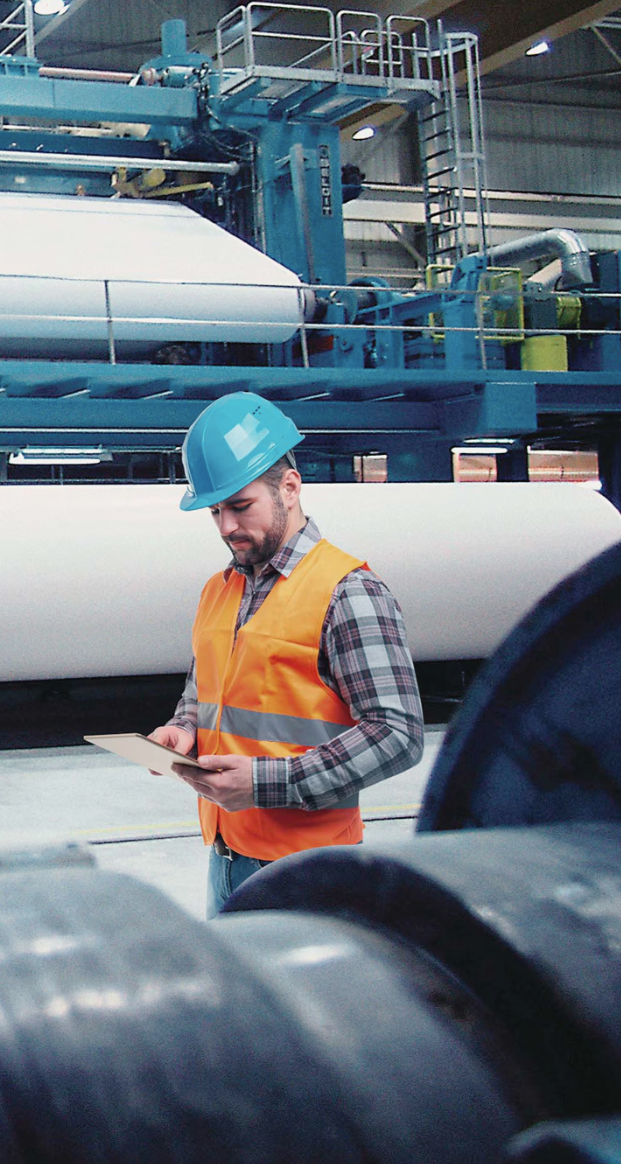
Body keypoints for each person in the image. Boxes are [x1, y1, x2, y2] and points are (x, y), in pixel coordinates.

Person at [149, 392, 424, 917]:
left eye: (240, 505)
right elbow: (204, 691)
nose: (226, 526)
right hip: (226, 853)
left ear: (290, 489)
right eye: (215, 511)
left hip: (310, 867)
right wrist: (182, 730)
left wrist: (263, 784)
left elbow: (398, 733)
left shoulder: (348, 591)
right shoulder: (219, 590)